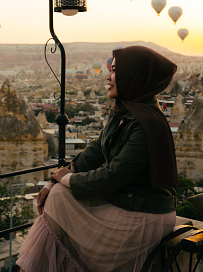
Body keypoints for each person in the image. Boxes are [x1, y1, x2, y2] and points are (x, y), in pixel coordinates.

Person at [16, 45, 178, 272]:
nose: (108, 76)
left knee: (61, 196)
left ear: (133, 77)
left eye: (115, 71)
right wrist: (54, 180)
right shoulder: (125, 113)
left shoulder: (146, 125)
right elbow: (95, 151)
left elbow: (114, 174)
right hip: (127, 204)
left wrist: (67, 180)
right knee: (58, 195)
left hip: (145, 216)